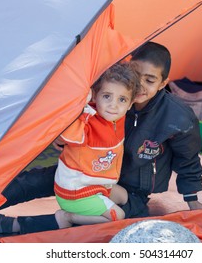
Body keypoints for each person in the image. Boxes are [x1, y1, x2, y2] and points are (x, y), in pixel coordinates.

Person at [0, 41, 202, 240]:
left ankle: (7, 225)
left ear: (164, 82)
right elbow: (75, 115)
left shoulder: (176, 117)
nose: (139, 85)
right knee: (32, 180)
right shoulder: (112, 94)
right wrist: (62, 139)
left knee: (110, 223)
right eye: (135, 74)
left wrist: (192, 200)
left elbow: (187, 160)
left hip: (129, 189)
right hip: (84, 170)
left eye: (150, 80)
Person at [53, 63, 139, 227]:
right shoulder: (87, 122)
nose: (113, 105)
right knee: (118, 216)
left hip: (97, 184)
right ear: (94, 96)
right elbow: (64, 131)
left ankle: (96, 208)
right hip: (76, 191)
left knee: (124, 197)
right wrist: (81, 100)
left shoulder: (117, 118)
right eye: (107, 96)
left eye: (122, 99)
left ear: (129, 104)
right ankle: (68, 217)